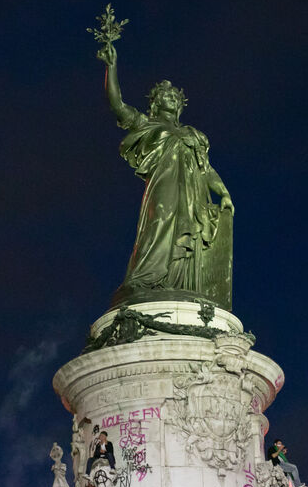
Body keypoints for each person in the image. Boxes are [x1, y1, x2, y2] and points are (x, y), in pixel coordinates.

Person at [97, 37, 234, 299]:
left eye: (174, 96)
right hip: (164, 186)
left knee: (191, 234)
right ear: (155, 102)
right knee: (159, 222)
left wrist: (224, 193)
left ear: (180, 104)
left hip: (193, 193)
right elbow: (117, 105)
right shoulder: (147, 124)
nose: (170, 98)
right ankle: (146, 280)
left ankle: (182, 286)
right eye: (165, 95)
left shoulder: (193, 134)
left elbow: (206, 169)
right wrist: (111, 68)